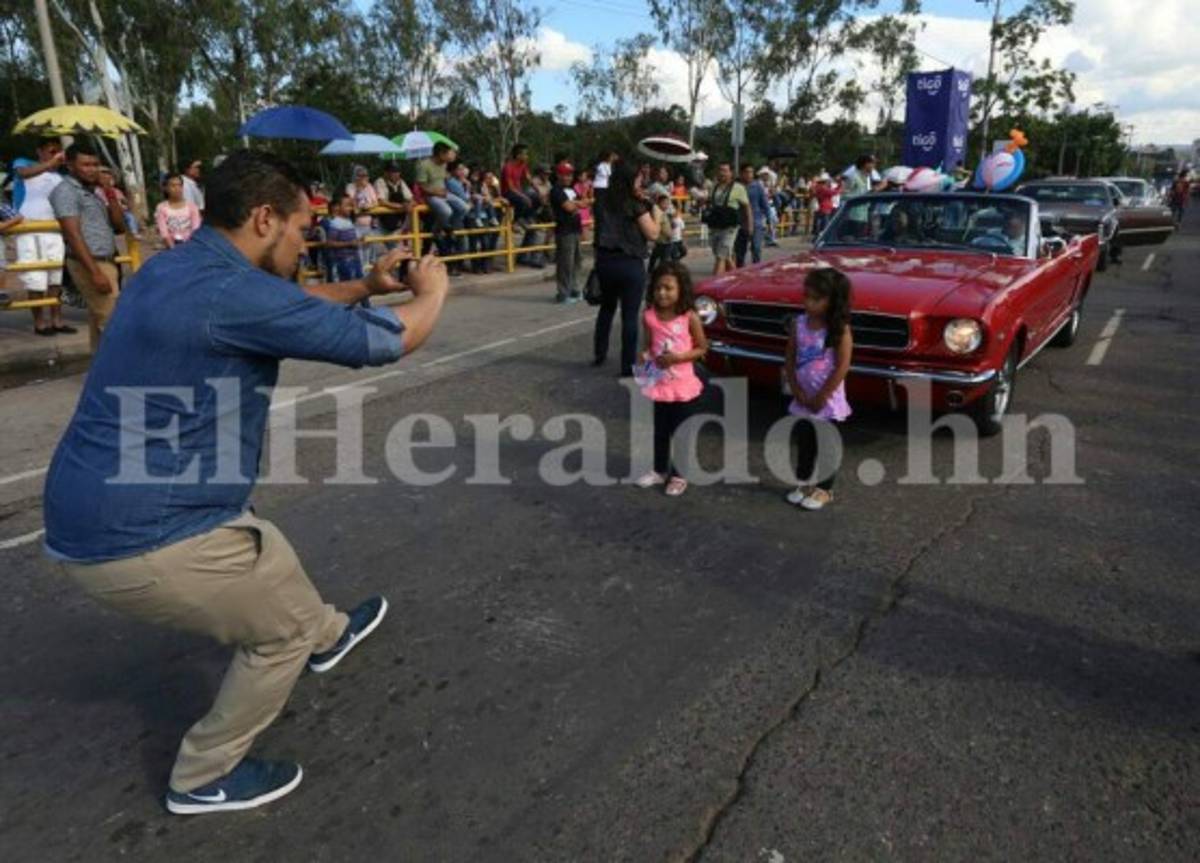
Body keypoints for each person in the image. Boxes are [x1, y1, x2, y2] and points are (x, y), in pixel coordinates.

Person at [42, 149, 450, 816]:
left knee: (265, 545)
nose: (305, 241)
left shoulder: (172, 268)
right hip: (144, 532)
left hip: (93, 505)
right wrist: (431, 292)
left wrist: (365, 286)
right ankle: (203, 773)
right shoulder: (230, 291)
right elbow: (384, 343)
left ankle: (328, 633)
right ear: (264, 218)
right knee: (274, 623)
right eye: (299, 227)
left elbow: (284, 304)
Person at [634, 261, 708, 497]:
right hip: (659, 385)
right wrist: (643, 359)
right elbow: (647, 346)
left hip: (684, 387)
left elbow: (702, 348)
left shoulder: (689, 317)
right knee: (660, 430)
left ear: (681, 290)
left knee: (682, 432)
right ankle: (659, 470)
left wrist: (678, 358)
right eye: (658, 288)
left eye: (668, 288)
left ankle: (679, 474)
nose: (662, 293)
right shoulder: (649, 317)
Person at [783, 267, 853, 511]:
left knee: (826, 444)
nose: (808, 303)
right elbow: (790, 358)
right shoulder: (799, 324)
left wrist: (823, 395)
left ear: (833, 301)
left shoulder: (839, 329)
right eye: (806, 296)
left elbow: (842, 365)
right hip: (802, 398)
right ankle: (804, 482)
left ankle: (825, 488)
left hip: (826, 400)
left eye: (816, 299)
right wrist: (796, 389)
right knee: (804, 442)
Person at [49, 143, 126, 352]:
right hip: (89, 263)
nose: (92, 169)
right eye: (86, 164)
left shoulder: (93, 192)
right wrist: (95, 273)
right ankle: (122, 376)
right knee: (113, 324)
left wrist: (109, 191)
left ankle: (99, 377)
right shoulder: (65, 191)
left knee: (99, 321)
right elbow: (72, 235)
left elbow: (119, 225)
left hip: (107, 261)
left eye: (95, 164)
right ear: (71, 165)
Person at [593, 159, 659, 376]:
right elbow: (653, 234)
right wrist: (655, 209)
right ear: (632, 179)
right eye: (639, 177)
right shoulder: (635, 203)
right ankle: (626, 365)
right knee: (629, 316)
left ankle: (599, 353)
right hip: (629, 263)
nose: (641, 180)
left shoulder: (601, 200)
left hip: (604, 261)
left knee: (606, 309)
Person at [11, 138, 70, 336]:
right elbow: (23, 173)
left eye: (58, 152)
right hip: (30, 230)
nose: (55, 155)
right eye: (51, 151)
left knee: (55, 279)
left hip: (54, 231)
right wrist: (50, 164)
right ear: (40, 152)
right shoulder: (23, 163)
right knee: (35, 278)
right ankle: (39, 323)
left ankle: (57, 320)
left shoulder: (60, 177)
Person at [416, 143, 466, 254]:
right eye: (448, 153)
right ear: (441, 154)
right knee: (446, 211)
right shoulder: (424, 165)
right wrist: (436, 192)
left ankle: (449, 227)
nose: (451, 156)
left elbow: (445, 178)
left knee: (463, 207)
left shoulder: (444, 165)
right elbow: (421, 186)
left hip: (444, 193)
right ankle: (440, 229)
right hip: (431, 196)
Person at [704, 162, 750, 275]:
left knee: (720, 257)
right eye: (720, 170)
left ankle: (715, 285)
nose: (722, 173)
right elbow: (710, 202)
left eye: (725, 170)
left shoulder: (738, 188)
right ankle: (737, 279)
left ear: (731, 173)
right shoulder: (714, 187)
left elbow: (747, 207)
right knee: (726, 256)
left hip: (730, 227)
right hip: (715, 226)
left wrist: (750, 225)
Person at [549, 160, 583, 303]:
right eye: (565, 175)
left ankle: (575, 289)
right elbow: (569, 207)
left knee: (576, 261)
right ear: (558, 175)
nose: (568, 178)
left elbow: (582, 202)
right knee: (565, 263)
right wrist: (577, 205)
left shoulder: (572, 190)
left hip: (575, 228)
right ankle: (563, 292)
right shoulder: (556, 190)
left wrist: (576, 204)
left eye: (570, 175)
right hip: (564, 230)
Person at [321, 193, 364, 280]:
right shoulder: (336, 223)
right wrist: (349, 243)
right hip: (344, 261)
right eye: (347, 206)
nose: (350, 208)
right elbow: (330, 243)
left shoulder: (348, 221)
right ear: (339, 207)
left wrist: (358, 241)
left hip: (355, 259)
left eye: (350, 206)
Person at [155, 173, 202, 248]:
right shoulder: (161, 208)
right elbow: (164, 233)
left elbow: (196, 229)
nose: (177, 188)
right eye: (173, 186)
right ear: (166, 188)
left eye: (179, 185)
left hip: (191, 246)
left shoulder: (192, 207)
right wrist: (173, 249)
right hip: (171, 248)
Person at [735, 164, 770, 267]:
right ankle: (740, 271)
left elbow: (764, 204)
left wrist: (769, 220)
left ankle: (756, 268)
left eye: (751, 172)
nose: (749, 175)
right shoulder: (736, 186)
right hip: (740, 223)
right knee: (740, 251)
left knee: (756, 248)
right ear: (741, 173)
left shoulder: (758, 186)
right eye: (747, 172)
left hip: (756, 222)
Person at [346, 165, 380, 266]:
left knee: (370, 252)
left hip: (369, 223)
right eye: (361, 175)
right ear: (355, 176)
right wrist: (359, 189)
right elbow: (351, 202)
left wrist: (369, 206)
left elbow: (376, 202)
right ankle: (361, 276)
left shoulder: (370, 187)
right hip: (355, 224)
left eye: (366, 175)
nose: (364, 178)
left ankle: (368, 275)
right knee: (359, 253)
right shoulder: (350, 186)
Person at [373, 161, 412, 246]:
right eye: (392, 171)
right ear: (386, 173)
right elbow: (381, 201)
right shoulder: (380, 181)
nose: (395, 174)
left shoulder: (401, 182)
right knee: (379, 250)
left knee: (397, 250)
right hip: (382, 224)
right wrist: (399, 206)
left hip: (398, 223)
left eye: (397, 171)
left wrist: (408, 204)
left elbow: (410, 198)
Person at [647, 192, 675, 274]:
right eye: (664, 203)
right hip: (665, 241)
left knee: (655, 256)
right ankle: (660, 272)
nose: (666, 205)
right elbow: (663, 228)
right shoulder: (659, 213)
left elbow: (666, 225)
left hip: (662, 241)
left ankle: (651, 270)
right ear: (658, 203)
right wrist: (669, 235)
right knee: (663, 259)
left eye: (667, 203)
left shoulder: (664, 213)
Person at [811, 173, 838, 238]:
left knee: (821, 225)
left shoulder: (819, 187)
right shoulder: (823, 188)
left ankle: (817, 236)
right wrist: (840, 189)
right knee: (824, 226)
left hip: (823, 208)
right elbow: (832, 192)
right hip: (825, 208)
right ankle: (820, 238)